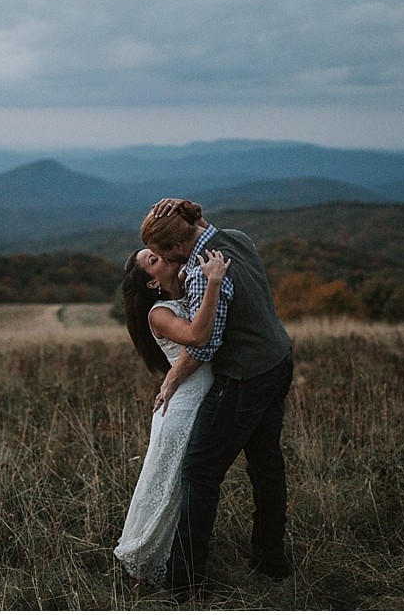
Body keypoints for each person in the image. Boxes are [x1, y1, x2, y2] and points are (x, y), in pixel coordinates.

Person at [142, 198, 294, 599]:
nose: (158, 260)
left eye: (159, 254)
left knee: (200, 472)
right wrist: (188, 210)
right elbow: (202, 232)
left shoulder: (197, 275)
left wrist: (172, 379)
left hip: (245, 377)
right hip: (278, 359)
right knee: (266, 463)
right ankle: (270, 561)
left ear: (177, 250)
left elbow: (204, 346)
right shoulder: (237, 239)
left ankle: (185, 584)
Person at [113, 241, 232, 588]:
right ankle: (146, 562)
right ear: (152, 282)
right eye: (152, 259)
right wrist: (213, 282)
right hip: (181, 409)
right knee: (166, 487)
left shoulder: (187, 280)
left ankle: (175, 560)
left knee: (182, 487)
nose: (159, 254)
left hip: (198, 399)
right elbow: (198, 337)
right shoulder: (159, 313)